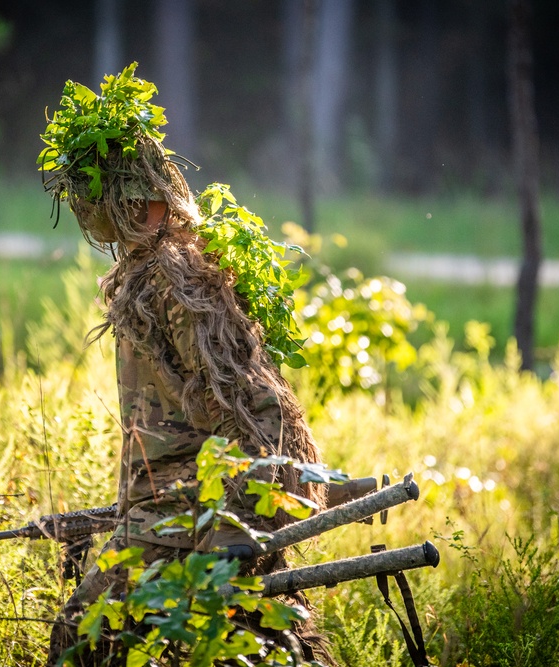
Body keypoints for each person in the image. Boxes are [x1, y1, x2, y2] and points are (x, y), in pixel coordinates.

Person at [43, 72, 327, 667]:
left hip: (184, 516)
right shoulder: (147, 277)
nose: (99, 220)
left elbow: (250, 402)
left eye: (106, 203)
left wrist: (231, 531)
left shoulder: (174, 279)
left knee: (79, 637)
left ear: (144, 201)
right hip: (162, 509)